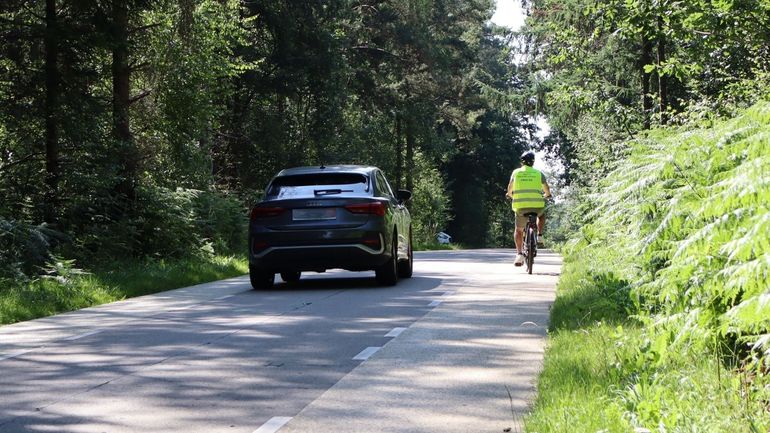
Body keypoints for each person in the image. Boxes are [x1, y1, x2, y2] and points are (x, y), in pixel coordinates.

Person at [505, 151, 551, 266]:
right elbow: (546, 188)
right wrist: (547, 195)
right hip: (537, 206)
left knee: (518, 230)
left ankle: (519, 255)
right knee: (542, 215)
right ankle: (539, 236)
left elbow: (510, 187)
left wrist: (509, 195)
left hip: (520, 206)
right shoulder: (538, 173)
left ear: (522, 162)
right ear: (533, 162)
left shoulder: (516, 172)